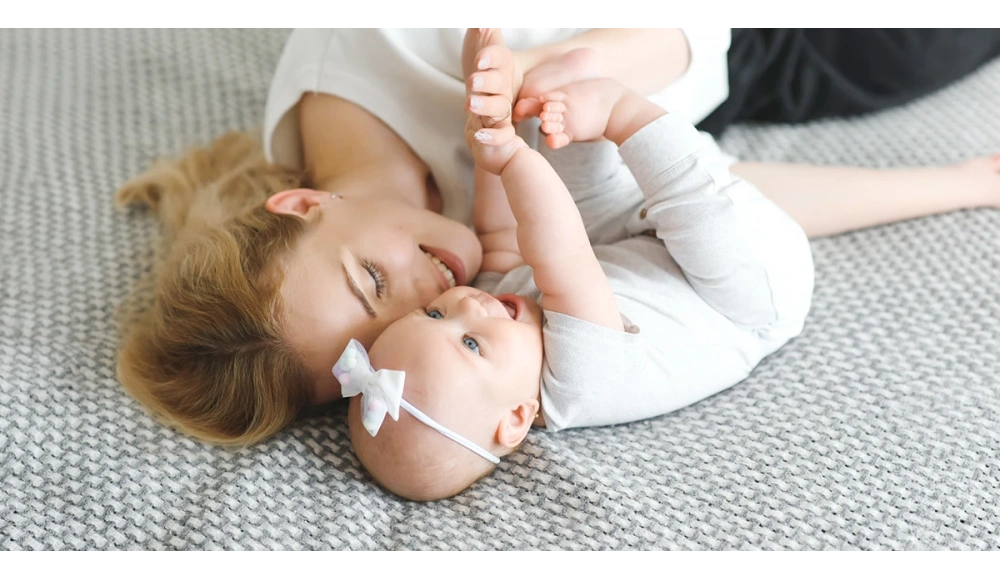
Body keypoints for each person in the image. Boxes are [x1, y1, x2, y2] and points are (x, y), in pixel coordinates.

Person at [114, 26, 1000, 448]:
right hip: (728, 99)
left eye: (373, 286)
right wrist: (955, 186)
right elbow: (701, 215)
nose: (436, 302)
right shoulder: (473, 289)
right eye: (389, 345)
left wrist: (549, 74)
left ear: (302, 204)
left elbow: (696, 25)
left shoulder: (376, 37)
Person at [339, 29, 813, 501]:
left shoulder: (498, 316)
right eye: (470, 343)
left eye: (433, 313)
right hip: (756, 297)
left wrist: (489, 121)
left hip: (635, 245)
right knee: (687, 220)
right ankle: (624, 112)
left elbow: (501, 233)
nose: (468, 304)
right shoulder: (578, 386)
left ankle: (553, 89)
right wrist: (509, 157)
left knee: (577, 183)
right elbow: (561, 254)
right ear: (518, 419)